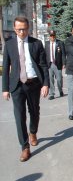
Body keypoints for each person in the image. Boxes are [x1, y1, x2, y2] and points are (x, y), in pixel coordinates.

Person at [2, 16, 49, 162]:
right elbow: (6, 68)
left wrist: (46, 83)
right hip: (17, 85)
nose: (22, 32)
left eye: (24, 29)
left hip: (33, 84)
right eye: (19, 29)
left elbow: (43, 65)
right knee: (19, 116)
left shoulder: (37, 43)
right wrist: (5, 88)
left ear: (28, 28)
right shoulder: (9, 44)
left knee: (34, 111)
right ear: (15, 29)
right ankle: (24, 146)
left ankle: (33, 132)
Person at [45, 30, 66, 100]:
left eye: (53, 36)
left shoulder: (60, 43)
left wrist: (64, 63)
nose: (52, 37)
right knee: (51, 79)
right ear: (49, 36)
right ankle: (52, 94)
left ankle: (60, 90)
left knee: (59, 79)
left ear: (55, 36)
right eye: (51, 36)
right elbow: (45, 54)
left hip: (58, 64)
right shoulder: (46, 43)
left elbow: (63, 54)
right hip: (49, 64)